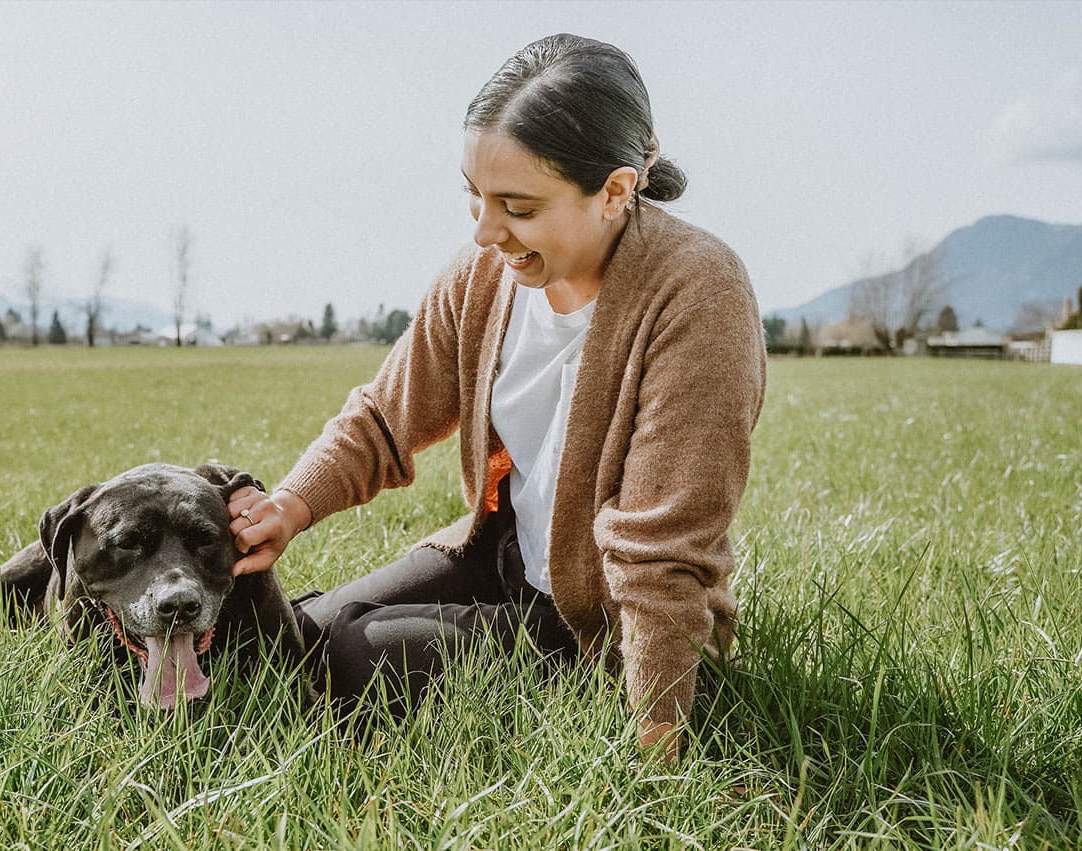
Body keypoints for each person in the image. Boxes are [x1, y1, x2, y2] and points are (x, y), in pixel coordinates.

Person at [225, 33, 765, 760]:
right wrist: (289, 507)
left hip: (601, 624)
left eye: (516, 206)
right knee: (300, 624)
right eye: (474, 197)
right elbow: (386, 416)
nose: (486, 231)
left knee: (349, 653)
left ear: (615, 190)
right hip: (502, 560)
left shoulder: (697, 295)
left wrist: (657, 740)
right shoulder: (483, 278)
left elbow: (660, 550)